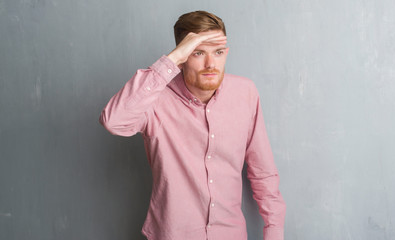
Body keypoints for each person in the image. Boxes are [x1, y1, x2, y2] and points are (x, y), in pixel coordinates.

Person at [99, 10, 286, 240]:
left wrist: (274, 232)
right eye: (198, 53)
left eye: (218, 52)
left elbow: (263, 173)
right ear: (183, 55)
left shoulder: (245, 93)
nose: (211, 64)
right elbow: (113, 121)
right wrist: (171, 60)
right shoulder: (155, 99)